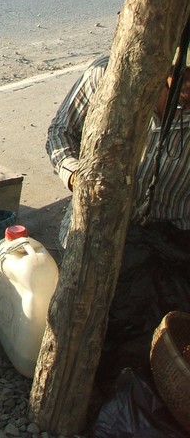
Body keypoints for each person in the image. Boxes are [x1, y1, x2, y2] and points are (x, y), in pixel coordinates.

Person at [46, 51, 190, 382]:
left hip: (173, 237)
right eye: (183, 80)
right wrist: (78, 179)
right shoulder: (107, 77)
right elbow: (60, 133)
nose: (187, 92)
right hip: (102, 225)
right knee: (95, 313)